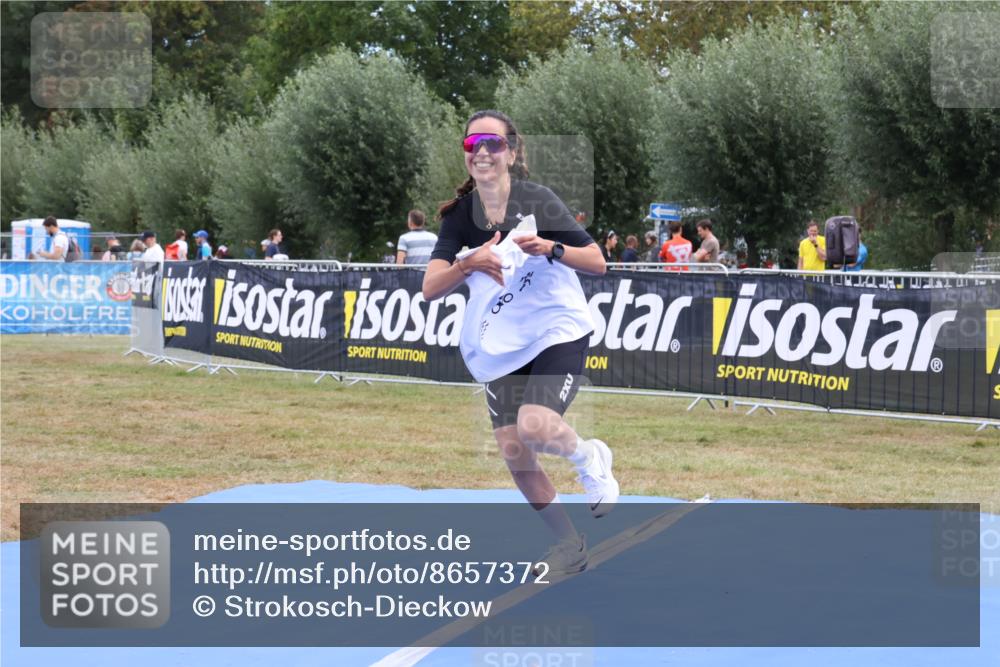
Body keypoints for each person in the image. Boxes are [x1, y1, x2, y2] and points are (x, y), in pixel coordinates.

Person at [423, 109, 619, 575]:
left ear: (511, 150)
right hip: (501, 346)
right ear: (466, 155)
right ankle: (570, 547)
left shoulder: (538, 200)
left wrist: (550, 248)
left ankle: (589, 456)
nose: (483, 152)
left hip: (556, 330)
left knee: (534, 426)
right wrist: (468, 265)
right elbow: (431, 288)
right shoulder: (458, 219)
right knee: (516, 453)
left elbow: (597, 262)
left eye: (492, 143)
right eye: (473, 145)